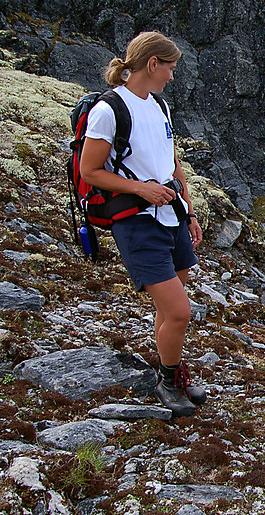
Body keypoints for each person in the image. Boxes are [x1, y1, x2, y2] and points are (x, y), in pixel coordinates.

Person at [80, 31, 205, 418]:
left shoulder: (159, 106)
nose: (171, 76)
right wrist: (142, 190)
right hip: (136, 222)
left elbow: (171, 162)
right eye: (169, 68)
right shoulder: (110, 109)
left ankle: (169, 368)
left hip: (171, 216)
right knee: (180, 311)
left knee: (169, 310)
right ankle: (168, 380)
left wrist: (190, 210)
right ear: (153, 64)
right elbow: (90, 170)